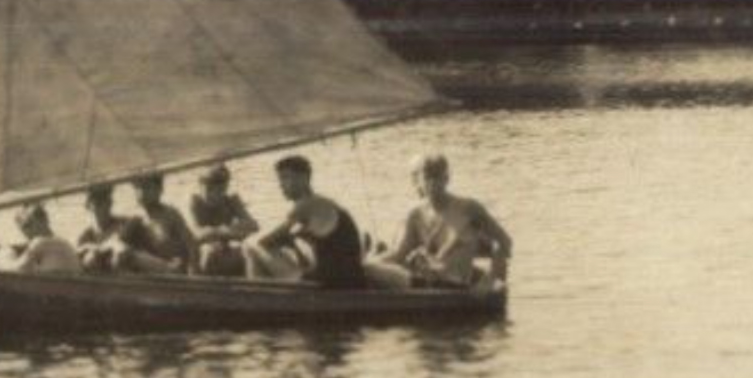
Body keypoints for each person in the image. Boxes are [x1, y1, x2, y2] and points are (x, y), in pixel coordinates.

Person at [365, 153, 513, 290]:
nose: (432, 183)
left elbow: (505, 242)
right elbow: (399, 254)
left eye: (437, 176)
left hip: (457, 286)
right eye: (427, 177)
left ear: (446, 178)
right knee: (371, 264)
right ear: (418, 182)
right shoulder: (415, 215)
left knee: (371, 269)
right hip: (425, 283)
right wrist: (367, 265)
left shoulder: (469, 208)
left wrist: (489, 279)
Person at [242, 155, 367, 288]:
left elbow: (265, 241)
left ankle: (256, 295)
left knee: (252, 244)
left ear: (304, 178)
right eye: (280, 179)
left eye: (285, 177)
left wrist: (286, 240)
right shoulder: (323, 203)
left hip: (330, 283)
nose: (280, 185)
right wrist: (292, 244)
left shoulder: (306, 204)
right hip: (350, 279)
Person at [114, 173, 196, 274]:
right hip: (150, 270)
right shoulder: (134, 217)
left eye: (146, 187)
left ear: (159, 190)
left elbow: (190, 243)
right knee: (120, 252)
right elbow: (119, 241)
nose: (141, 193)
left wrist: (192, 268)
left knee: (128, 254)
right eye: (138, 188)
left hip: (172, 268)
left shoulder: (170, 214)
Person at [189, 163, 259, 277]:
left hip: (225, 247)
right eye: (208, 189)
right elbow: (197, 234)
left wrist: (220, 232)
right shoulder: (195, 202)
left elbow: (253, 226)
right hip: (205, 250)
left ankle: (252, 287)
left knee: (251, 248)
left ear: (224, 189)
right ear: (200, 187)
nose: (211, 194)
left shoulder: (231, 200)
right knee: (207, 251)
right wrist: (230, 231)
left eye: (217, 190)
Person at [0, 203, 81, 275]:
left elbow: (18, 269)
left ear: (44, 221)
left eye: (28, 225)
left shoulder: (40, 242)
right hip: (65, 290)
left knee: (5, 252)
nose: (26, 232)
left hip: (55, 291)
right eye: (23, 228)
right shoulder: (64, 242)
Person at [75, 183, 129, 273]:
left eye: (103, 201)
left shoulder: (124, 224)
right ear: (88, 206)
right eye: (95, 202)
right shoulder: (85, 236)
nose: (97, 207)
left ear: (110, 203)